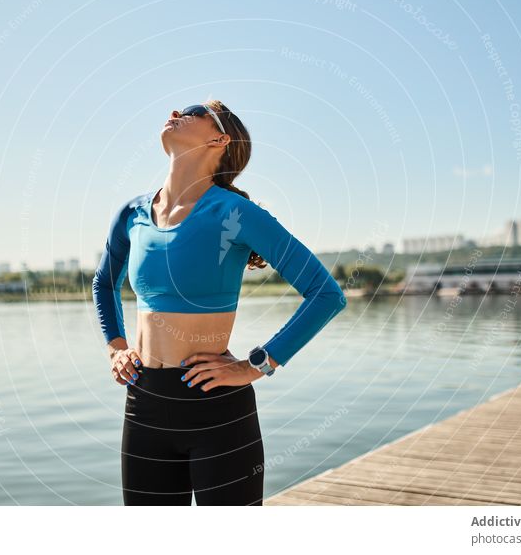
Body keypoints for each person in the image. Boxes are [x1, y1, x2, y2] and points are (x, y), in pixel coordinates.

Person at [92, 100, 347, 505]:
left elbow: (326, 295)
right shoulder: (132, 213)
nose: (176, 110)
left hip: (216, 407)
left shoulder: (236, 213)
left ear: (219, 138)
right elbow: (104, 284)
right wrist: (116, 348)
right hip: (144, 402)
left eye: (193, 110)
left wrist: (257, 365)